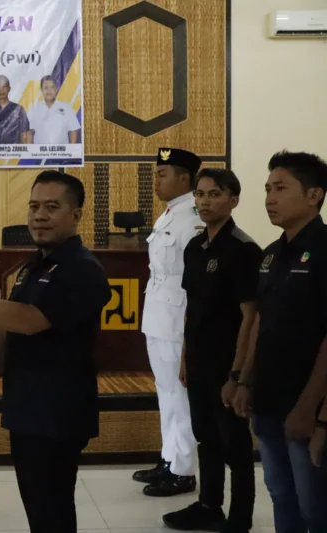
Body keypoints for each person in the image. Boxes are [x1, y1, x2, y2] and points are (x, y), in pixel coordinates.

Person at [0, 171, 111, 532]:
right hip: (27, 406)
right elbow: (4, 325)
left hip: (58, 412)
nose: (39, 216)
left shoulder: (82, 269)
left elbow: (29, 320)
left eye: (51, 207)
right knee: (39, 507)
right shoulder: (36, 264)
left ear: (76, 215)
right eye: (33, 206)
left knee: (52, 511)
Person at [233, 151, 327, 532]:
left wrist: (310, 409)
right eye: (268, 189)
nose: (270, 198)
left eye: (281, 189)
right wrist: (245, 380)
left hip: (308, 405)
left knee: (314, 507)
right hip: (268, 400)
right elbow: (261, 321)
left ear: (314, 195)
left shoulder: (324, 251)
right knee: (280, 494)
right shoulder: (271, 255)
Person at [161, 169, 259, 533]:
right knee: (206, 435)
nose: (204, 201)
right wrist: (185, 357)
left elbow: (251, 317)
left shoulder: (244, 250)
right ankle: (208, 506)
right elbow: (194, 308)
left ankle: (240, 517)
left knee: (235, 443)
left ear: (233, 200)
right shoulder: (195, 247)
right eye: (200, 194)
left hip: (226, 362)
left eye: (214, 194)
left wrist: (237, 374)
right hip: (199, 360)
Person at [133, 148, 203, 497]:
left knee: (181, 397)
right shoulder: (169, 215)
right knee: (166, 393)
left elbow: (194, 280)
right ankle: (169, 458)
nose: (156, 181)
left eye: (163, 174)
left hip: (177, 319)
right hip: (158, 316)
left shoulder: (193, 219)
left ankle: (183, 471)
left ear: (184, 178)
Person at [26, 76, 81, 145]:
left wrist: (71, 149)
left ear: (56, 89)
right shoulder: (34, 108)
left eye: (52, 87)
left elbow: (73, 130)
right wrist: (30, 149)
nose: (49, 91)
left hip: (62, 150)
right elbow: (29, 132)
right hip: (40, 151)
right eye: (46, 88)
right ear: (41, 90)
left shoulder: (66, 107)